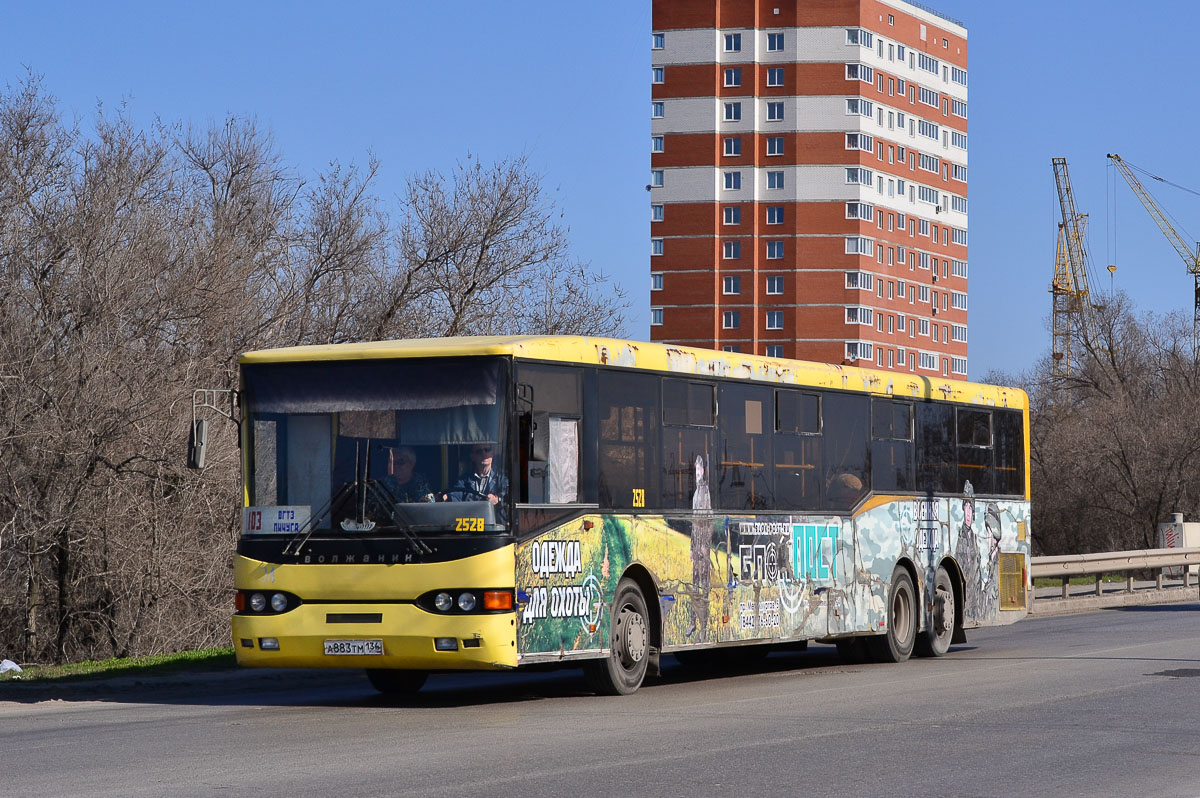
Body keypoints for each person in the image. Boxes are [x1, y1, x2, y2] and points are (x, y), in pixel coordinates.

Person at [444, 443, 509, 510]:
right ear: (472, 456)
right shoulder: (464, 480)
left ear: (492, 453)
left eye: (487, 450)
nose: (484, 454)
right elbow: (456, 494)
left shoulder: (501, 478)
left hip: (495, 519)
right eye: (479, 451)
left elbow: (508, 497)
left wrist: (497, 499)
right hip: (471, 518)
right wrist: (446, 497)